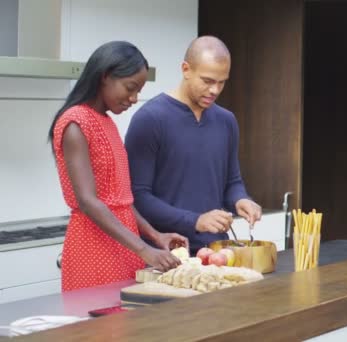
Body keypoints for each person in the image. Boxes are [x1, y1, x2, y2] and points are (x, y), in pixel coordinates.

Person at [49, 41, 187, 292]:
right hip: (93, 248)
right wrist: (144, 248)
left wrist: (155, 236)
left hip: (124, 245)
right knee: (98, 328)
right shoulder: (75, 123)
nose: (134, 99)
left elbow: (120, 199)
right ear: (105, 77)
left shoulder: (107, 123)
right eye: (130, 88)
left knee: (125, 326)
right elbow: (88, 201)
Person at [125, 36, 261, 255]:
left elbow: (232, 182)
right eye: (207, 81)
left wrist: (241, 199)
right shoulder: (150, 119)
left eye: (222, 82)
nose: (215, 90)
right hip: (165, 254)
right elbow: (138, 197)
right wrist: (195, 221)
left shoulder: (227, 121)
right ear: (186, 69)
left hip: (218, 252)